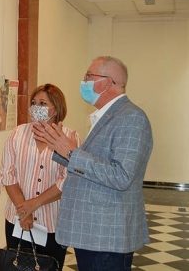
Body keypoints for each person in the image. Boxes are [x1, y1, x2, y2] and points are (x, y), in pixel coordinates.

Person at [34, 56, 153, 271]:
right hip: (93, 232)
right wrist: (56, 144)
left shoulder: (132, 118)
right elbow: (91, 164)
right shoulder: (107, 116)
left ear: (107, 82)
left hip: (107, 235)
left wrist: (71, 151)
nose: (84, 81)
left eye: (89, 76)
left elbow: (122, 176)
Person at [0, 84, 81, 270]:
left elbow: (68, 179)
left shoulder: (70, 138)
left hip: (53, 222)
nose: (36, 108)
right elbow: (8, 174)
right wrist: (23, 210)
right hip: (17, 219)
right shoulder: (18, 134)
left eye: (42, 103)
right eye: (34, 103)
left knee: (49, 266)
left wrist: (34, 204)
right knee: (17, 265)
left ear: (56, 109)